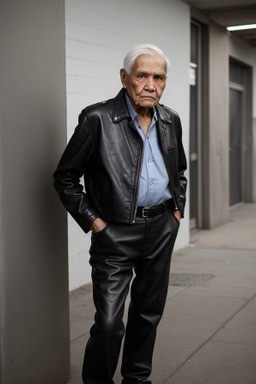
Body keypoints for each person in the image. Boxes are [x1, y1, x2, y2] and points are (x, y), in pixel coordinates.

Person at [53, 43, 187, 384]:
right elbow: (65, 178)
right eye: (142, 75)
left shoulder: (171, 119)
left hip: (161, 227)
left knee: (148, 314)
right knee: (110, 322)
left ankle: (137, 379)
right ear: (125, 77)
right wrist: (95, 222)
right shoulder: (97, 118)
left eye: (159, 77)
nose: (151, 85)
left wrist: (176, 210)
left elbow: (179, 171)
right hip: (114, 232)